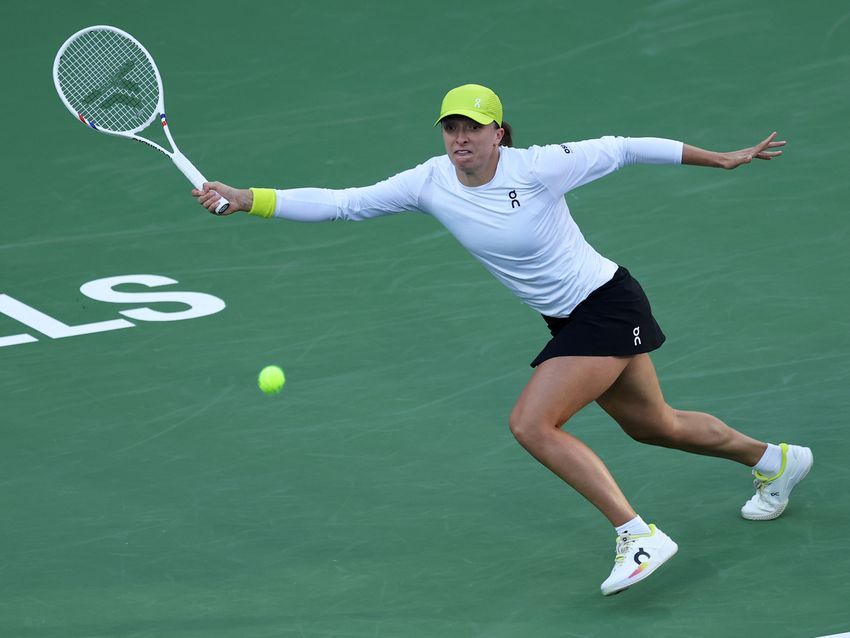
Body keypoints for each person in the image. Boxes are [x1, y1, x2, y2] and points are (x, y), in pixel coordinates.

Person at [193, 84, 812, 596]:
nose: (460, 138)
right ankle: (775, 461)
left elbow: (624, 148)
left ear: (499, 133)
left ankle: (638, 536)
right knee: (656, 426)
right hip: (569, 319)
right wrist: (247, 199)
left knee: (532, 424)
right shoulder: (430, 181)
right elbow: (344, 203)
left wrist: (719, 159)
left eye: (473, 127)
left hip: (605, 304)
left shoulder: (538, 167)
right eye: (451, 127)